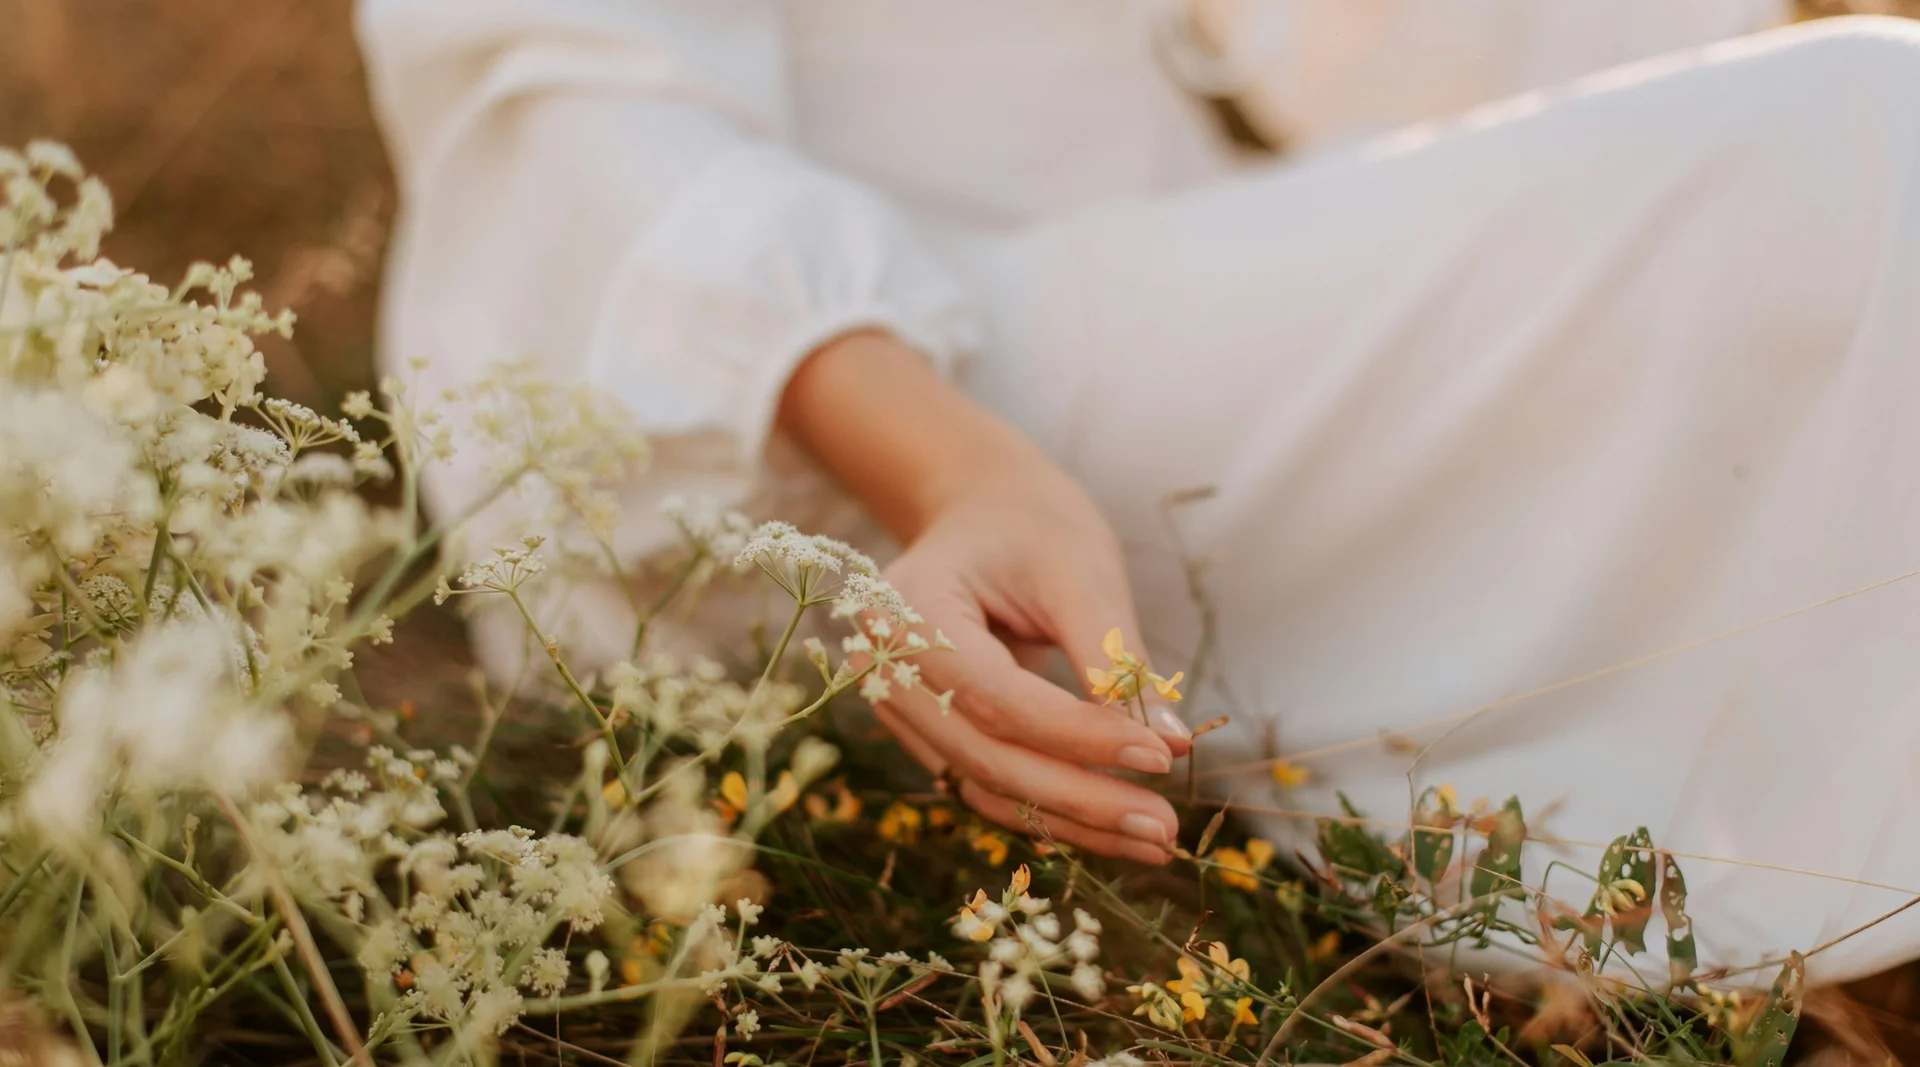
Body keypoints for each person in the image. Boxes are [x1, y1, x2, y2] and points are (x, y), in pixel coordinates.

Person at [357, 1, 1920, 981]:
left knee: (1824, 142)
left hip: (1187, 252)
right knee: (1869, 130)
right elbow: (571, 120)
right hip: (833, 425)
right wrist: (952, 464)